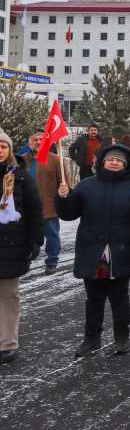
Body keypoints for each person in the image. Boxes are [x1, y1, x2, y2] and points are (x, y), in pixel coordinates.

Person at [56, 144, 130, 357]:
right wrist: (64, 197)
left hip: (122, 248)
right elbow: (69, 214)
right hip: (93, 249)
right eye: (111, 159)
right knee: (94, 298)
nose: (114, 162)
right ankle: (91, 339)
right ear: (102, 162)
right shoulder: (86, 185)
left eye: (119, 160)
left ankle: (122, 338)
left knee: (120, 296)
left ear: (125, 164)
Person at [0, 130, 42, 364]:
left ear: (9, 150)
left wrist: (36, 239)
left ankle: (7, 343)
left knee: (8, 296)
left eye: (3, 146)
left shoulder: (21, 176)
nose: (0, 150)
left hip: (12, 244)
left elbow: (35, 209)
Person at [25, 130, 72, 274]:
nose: (38, 142)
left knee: (52, 236)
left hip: (48, 206)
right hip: (26, 208)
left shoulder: (56, 160)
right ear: (29, 142)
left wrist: (64, 189)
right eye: (35, 140)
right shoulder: (21, 160)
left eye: (41, 139)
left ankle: (52, 261)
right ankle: (28, 257)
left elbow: (66, 184)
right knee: (27, 237)